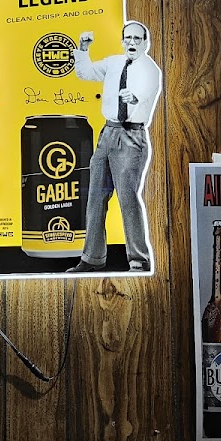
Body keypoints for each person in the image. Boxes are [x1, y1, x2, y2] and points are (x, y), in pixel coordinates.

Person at [66, 20, 162, 273]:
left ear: (145, 43)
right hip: (107, 133)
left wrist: (134, 97)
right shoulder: (113, 63)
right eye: (128, 38)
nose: (132, 42)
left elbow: (146, 91)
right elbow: (85, 73)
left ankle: (139, 260)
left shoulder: (150, 69)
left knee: (127, 198)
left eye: (137, 39)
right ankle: (92, 259)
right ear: (122, 41)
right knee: (95, 196)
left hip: (131, 136)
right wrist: (83, 48)